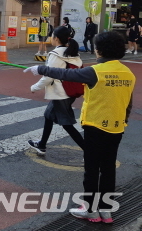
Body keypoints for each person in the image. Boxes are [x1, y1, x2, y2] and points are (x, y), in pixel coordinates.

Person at [24, 31, 135, 223]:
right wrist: (123, 121)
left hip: (95, 125)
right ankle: (106, 210)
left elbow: (65, 74)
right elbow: (128, 103)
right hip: (117, 127)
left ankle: (90, 209)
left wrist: (40, 69)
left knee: (91, 169)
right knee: (108, 169)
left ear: (98, 51)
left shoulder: (95, 72)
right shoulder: (128, 73)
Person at [27, 26, 85, 156]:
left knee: (67, 124)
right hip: (69, 92)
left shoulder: (56, 54)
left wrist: (34, 87)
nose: (51, 38)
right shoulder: (73, 53)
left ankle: (89, 151)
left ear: (56, 38)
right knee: (48, 116)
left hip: (61, 93)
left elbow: (49, 75)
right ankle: (42, 144)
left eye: (52, 36)